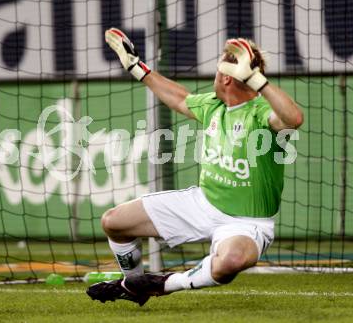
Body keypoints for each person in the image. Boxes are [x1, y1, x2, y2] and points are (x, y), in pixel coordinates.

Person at [86, 28, 304, 306]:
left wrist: (256, 80)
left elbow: (294, 118)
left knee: (231, 262)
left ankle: (167, 283)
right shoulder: (214, 105)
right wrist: (137, 68)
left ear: (226, 76)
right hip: (202, 203)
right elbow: (179, 98)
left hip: (247, 223)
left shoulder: (260, 113)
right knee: (114, 222)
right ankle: (134, 284)